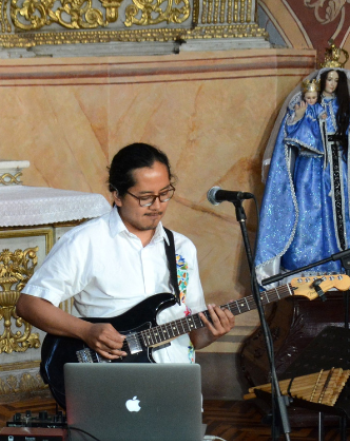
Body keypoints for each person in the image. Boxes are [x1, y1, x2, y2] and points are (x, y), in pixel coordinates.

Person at [15, 142, 235, 367]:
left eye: (165, 194)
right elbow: (29, 304)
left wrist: (213, 332)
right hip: (113, 379)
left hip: (176, 380)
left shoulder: (182, 248)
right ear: (117, 195)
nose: (157, 205)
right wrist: (87, 331)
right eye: (146, 197)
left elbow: (193, 337)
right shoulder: (85, 241)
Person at [255, 66, 350, 296]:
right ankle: (311, 261)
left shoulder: (345, 107)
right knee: (310, 213)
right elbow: (292, 133)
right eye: (328, 79)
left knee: (342, 214)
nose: (331, 84)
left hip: (340, 168)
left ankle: (345, 260)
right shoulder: (311, 104)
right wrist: (301, 117)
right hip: (312, 170)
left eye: (334, 80)